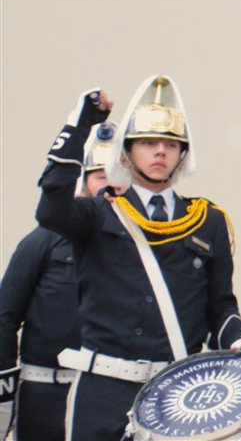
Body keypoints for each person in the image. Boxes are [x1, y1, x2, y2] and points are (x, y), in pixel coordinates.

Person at [37, 77, 241, 441]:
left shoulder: (208, 221)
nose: (160, 152)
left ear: (182, 156)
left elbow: (220, 305)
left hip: (175, 396)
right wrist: (79, 125)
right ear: (125, 154)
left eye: (171, 144)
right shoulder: (99, 213)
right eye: (148, 143)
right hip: (102, 390)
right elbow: (50, 208)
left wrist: (238, 338)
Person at [0, 124, 117, 441]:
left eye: (118, 175)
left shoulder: (137, 248)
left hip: (107, 396)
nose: (111, 185)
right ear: (84, 181)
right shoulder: (44, 240)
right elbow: (5, 315)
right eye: (101, 176)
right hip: (45, 397)